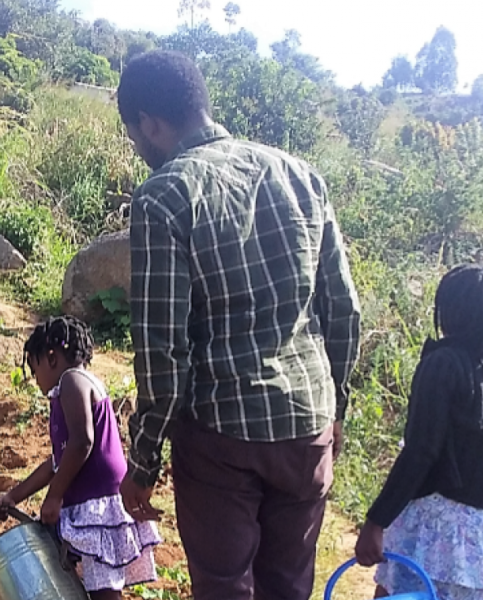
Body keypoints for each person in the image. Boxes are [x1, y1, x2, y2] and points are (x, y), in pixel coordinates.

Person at [116, 50, 362, 600]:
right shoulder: (302, 176)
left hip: (221, 436)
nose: (138, 149)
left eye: (135, 135)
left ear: (150, 124)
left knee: (225, 587)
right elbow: (343, 311)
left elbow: (162, 349)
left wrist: (145, 458)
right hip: (306, 425)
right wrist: (335, 408)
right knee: (289, 586)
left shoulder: (164, 196)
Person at [355, 264, 483, 600]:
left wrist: (377, 521)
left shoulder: (443, 364)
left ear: (452, 312)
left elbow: (421, 452)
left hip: (439, 536)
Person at [0, 316, 161, 600]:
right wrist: (12, 497)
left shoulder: (72, 381)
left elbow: (82, 443)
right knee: (85, 583)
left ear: (51, 357)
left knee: (104, 592)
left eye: (35, 371)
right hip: (89, 501)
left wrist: (55, 496)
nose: (36, 381)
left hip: (97, 504)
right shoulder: (71, 387)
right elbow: (56, 462)